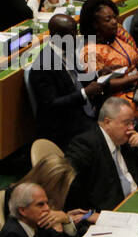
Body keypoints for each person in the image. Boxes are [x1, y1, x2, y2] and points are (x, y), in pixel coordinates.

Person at [78, 0, 138, 155]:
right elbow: (105, 85)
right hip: (117, 99)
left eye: (114, 17)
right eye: (108, 20)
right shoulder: (90, 51)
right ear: (95, 24)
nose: (114, 22)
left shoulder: (119, 32)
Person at [29, 13, 104, 146]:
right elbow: (52, 105)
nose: (77, 37)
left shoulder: (68, 50)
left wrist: (99, 74)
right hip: (64, 125)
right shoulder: (42, 66)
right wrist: (84, 93)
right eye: (73, 34)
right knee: (111, 134)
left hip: (84, 111)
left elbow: (78, 77)